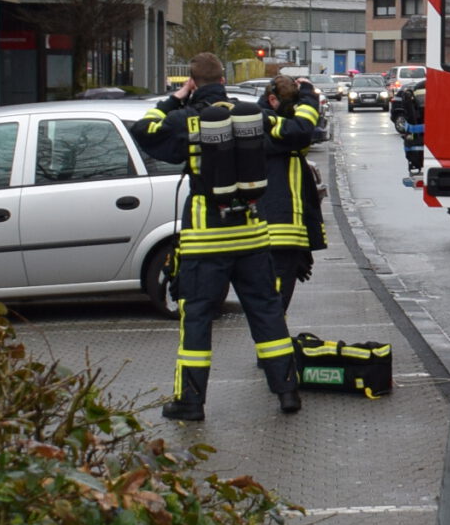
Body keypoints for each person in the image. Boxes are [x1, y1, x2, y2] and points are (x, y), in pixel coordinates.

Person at [133, 52, 308, 423]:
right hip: (251, 234)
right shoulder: (252, 116)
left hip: (205, 238)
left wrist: (174, 99)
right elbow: (292, 133)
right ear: (225, 79)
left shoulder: (186, 119)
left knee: (196, 317)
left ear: (193, 82)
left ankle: (191, 402)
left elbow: (144, 131)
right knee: (266, 311)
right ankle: (287, 391)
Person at [257, 73, 328, 320]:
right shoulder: (266, 124)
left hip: (286, 233)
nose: (290, 110)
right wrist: (308, 94)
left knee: (277, 301)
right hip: (275, 231)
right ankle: (272, 355)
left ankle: (276, 349)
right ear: (271, 99)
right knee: (273, 303)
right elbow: (302, 129)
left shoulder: (279, 125)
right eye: (286, 104)